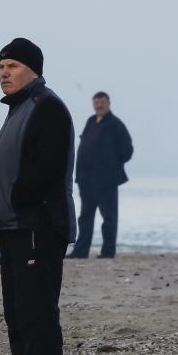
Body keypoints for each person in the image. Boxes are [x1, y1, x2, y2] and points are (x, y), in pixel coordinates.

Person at [0, 38, 77, 355]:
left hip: (36, 226)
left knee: (36, 317)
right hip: (14, 227)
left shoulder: (46, 107)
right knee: (18, 317)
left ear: (34, 70)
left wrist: (20, 197)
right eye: (1, 65)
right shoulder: (20, 109)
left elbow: (47, 169)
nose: (5, 72)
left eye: (13, 66)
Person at [67, 92, 133, 259]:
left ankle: (108, 251)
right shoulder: (91, 121)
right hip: (86, 180)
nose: (99, 105)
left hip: (106, 181)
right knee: (85, 218)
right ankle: (81, 251)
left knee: (108, 218)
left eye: (102, 102)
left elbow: (127, 150)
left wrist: (110, 165)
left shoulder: (115, 124)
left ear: (109, 103)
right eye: (96, 102)